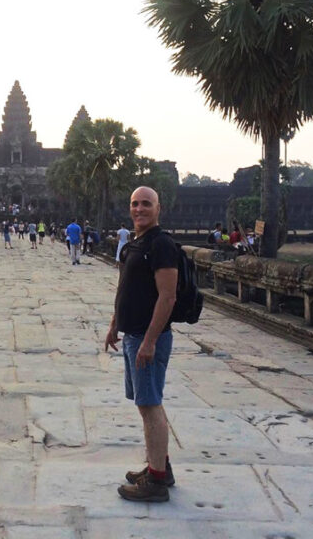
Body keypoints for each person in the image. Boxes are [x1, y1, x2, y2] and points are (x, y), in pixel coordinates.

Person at [105, 186, 178, 503]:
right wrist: (114, 324)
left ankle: (156, 482)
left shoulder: (161, 245)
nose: (139, 209)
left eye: (146, 204)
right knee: (146, 404)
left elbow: (168, 296)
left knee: (150, 405)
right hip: (132, 335)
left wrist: (149, 341)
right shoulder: (136, 244)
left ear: (158, 208)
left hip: (147, 339)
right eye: (134, 203)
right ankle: (158, 466)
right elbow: (127, 288)